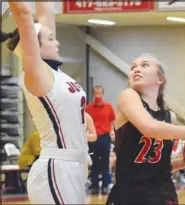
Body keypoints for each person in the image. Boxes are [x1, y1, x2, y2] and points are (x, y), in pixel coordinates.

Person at [106, 54, 185, 205]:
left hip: (162, 194)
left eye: (145, 65)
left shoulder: (170, 117)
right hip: (129, 194)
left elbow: (161, 166)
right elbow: (149, 127)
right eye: (133, 67)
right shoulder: (127, 96)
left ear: (160, 79)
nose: (136, 69)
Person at [1, 2, 89, 204]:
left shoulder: (56, 74)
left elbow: (46, 10)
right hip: (56, 167)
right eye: (50, 39)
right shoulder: (36, 74)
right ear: (34, 46)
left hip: (74, 165)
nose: (57, 43)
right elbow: (23, 12)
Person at [86, 85, 116, 194]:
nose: (98, 95)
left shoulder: (108, 107)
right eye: (96, 93)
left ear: (103, 94)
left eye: (100, 93)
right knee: (93, 160)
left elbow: (113, 120)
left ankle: (105, 184)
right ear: (93, 94)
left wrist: (112, 130)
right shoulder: (88, 108)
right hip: (93, 137)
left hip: (105, 136)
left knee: (105, 160)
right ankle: (94, 184)